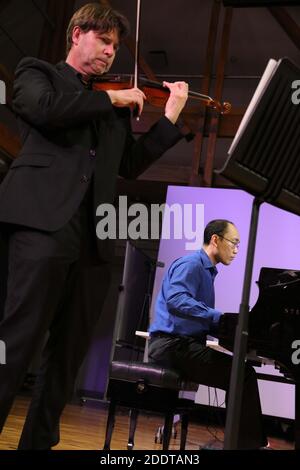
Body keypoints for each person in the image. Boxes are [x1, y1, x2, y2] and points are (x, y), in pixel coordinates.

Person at [0, 3, 188, 449]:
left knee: (66, 358)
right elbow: (42, 109)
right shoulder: (38, 73)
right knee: (17, 341)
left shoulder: (113, 104)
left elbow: (129, 163)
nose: (110, 54)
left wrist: (171, 119)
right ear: (78, 34)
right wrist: (109, 99)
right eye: (103, 41)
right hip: (42, 226)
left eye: (115, 47)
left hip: (95, 240)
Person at [148, 219, 268, 449]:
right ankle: (248, 445)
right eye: (233, 243)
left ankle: (243, 443)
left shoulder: (206, 271)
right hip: (170, 346)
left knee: (242, 373)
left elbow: (198, 316)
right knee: (243, 375)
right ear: (215, 239)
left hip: (181, 345)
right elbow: (177, 300)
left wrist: (237, 331)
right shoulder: (191, 264)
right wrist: (219, 318)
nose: (235, 250)